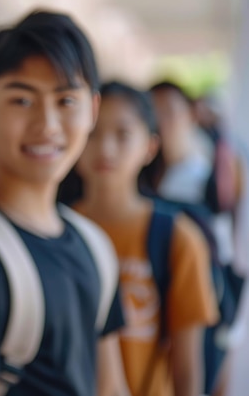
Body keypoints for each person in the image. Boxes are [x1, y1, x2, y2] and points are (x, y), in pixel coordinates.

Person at [0, 11, 129, 396]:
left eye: (66, 100)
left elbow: (111, 386)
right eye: (21, 99)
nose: (47, 124)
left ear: (93, 110)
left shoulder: (94, 245)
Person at [60, 81, 219, 396]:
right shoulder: (54, 230)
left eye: (123, 134)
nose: (105, 148)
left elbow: (187, 368)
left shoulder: (178, 238)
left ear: (150, 147)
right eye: (92, 133)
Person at [147, 82, 245, 395]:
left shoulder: (211, 175)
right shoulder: (147, 177)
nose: (163, 120)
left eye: (170, 111)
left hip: (206, 305)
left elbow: (226, 254)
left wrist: (229, 329)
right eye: (153, 112)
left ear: (191, 114)